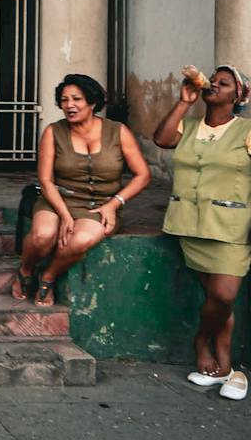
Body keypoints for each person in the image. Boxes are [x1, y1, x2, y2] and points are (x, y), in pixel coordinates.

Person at [152, 64, 251, 401]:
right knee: (216, 301)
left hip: (233, 228)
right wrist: (183, 102)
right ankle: (224, 366)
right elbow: (162, 139)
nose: (215, 85)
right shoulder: (190, 125)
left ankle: (199, 340)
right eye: (213, 81)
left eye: (225, 83)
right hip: (190, 224)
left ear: (238, 96)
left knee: (222, 296)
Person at [14, 73, 151, 307]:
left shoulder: (117, 131)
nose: (70, 105)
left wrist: (114, 204)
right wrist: (65, 215)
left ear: (92, 102)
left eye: (76, 99)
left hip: (100, 205)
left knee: (80, 240)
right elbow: (46, 181)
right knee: (43, 236)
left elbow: (143, 175)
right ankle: (26, 270)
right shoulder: (53, 132)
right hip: (57, 199)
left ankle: (48, 276)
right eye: (64, 100)